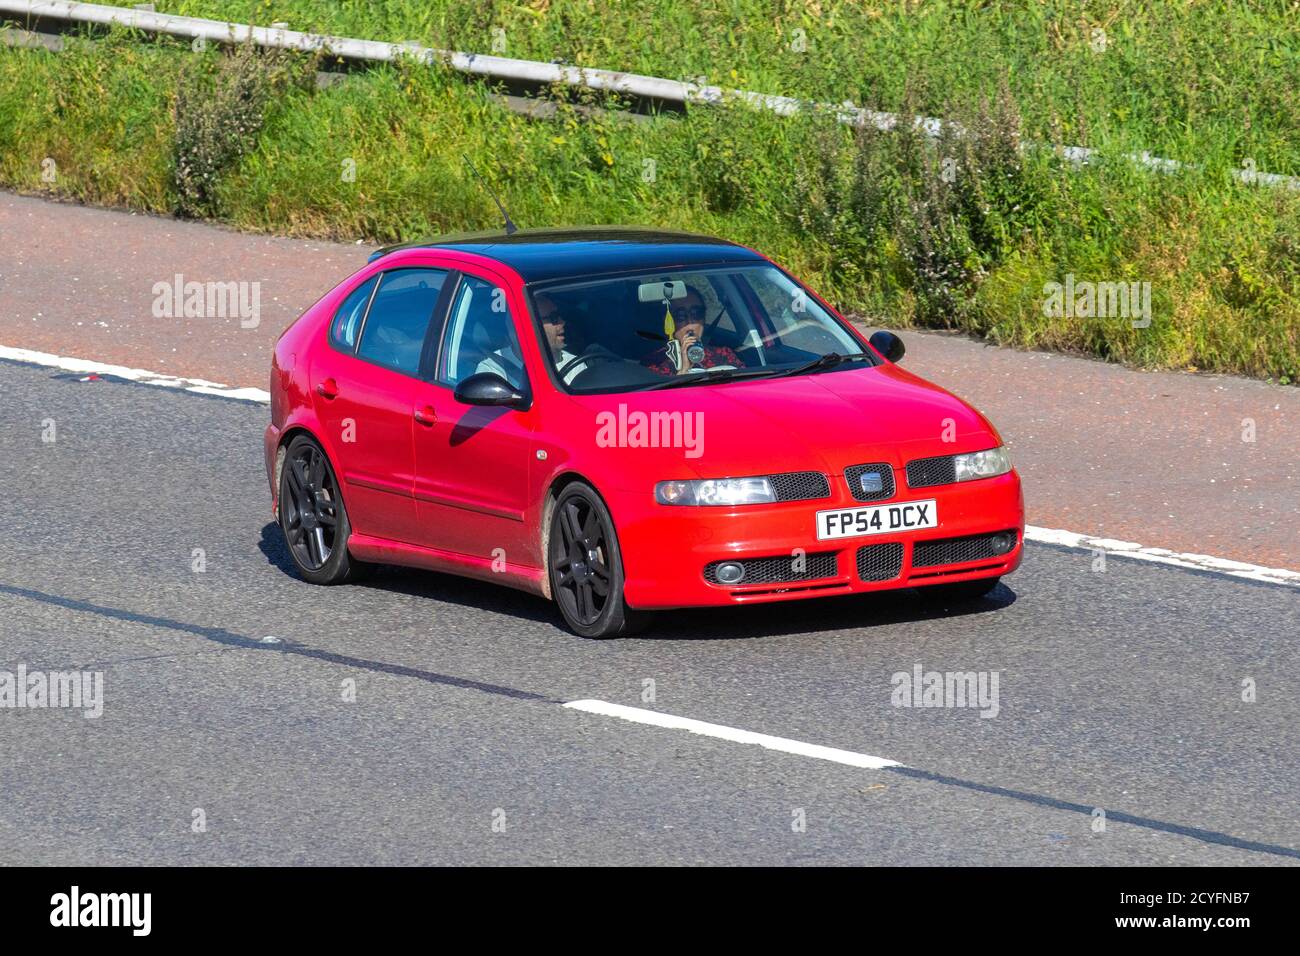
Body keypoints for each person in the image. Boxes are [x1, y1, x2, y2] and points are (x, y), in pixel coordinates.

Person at [643, 286, 744, 376]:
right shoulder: (656, 362)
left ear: (704, 318)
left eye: (696, 313)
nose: (690, 323)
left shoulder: (723, 355)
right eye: (680, 315)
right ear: (669, 322)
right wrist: (683, 373)